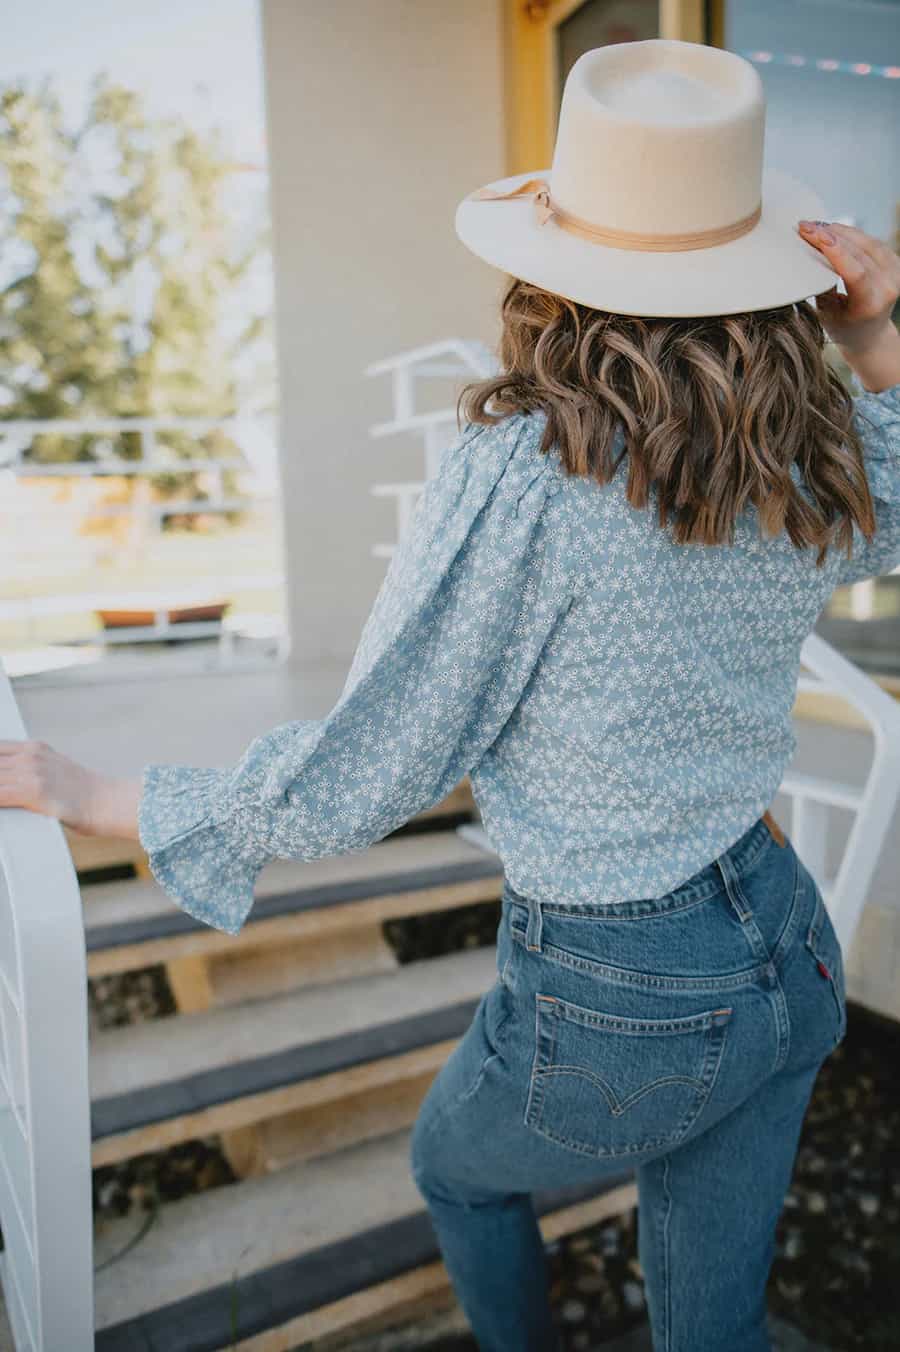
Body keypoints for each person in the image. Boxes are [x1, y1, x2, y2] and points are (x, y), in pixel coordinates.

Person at [3, 37, 900, 1352]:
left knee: (455, 1169)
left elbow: (383, 759)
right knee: (714, 1330)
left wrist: (110, 796)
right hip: (784, 930)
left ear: (554, 267)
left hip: (620, 981)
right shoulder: (796, 448)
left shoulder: (527, 467)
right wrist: (875, 335)